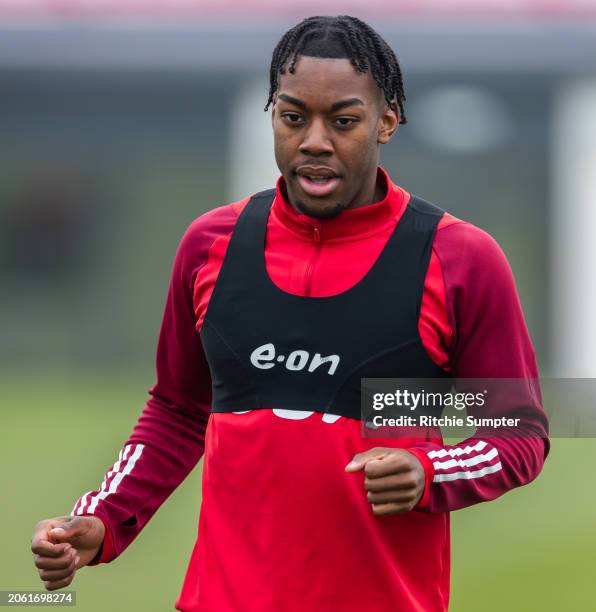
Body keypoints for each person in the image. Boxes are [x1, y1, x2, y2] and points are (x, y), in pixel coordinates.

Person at [31, 15, 550, 612]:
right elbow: (178, 410)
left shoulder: (460, 258)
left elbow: (519, 431)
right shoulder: (211, 244)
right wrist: (104, 519)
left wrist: (430, 470)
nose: (314, 141)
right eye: (293, 116)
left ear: (387, 122)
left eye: (344, 120)